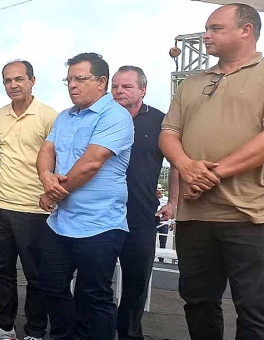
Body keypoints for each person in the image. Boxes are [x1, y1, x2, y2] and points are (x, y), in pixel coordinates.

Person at [159, 4, 264, 339]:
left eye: (216, 28)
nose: (206, 35)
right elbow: (168, 133)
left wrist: (211, 175)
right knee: (198, 302)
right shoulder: (191, 83)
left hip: (248, 215)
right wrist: (187, 166)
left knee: (254, 309)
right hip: (194, 217)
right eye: (207, 29)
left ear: (246, 31)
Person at [36, 52, 134, 340]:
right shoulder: (65, 117)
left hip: (100, 223)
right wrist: (46, 177)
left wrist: (54, 193)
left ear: (102, 82)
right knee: (52, 287)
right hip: (61, 222)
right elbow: (46, 151)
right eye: (69, 80)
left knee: (95, 295)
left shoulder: (116, 116)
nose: (72, 86)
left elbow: (92, 162)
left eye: (80, 79)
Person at [0, 60, 57, 340]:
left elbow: (60, 160)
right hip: (0, 205)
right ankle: (3, 327)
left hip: (34, 208)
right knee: (0, 271)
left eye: (19, 79)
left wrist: (50, 192)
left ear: (33, 80)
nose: (13, 85)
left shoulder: (49, 116)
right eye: (8, 81)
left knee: (35, 276)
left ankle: (34, 331)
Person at [110, 66, 179, 340]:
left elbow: (177, 163)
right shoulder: (101, 117)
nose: (119, 91)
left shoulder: (160, 122)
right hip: (101, 214)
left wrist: (172, 202)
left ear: (143, 90)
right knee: (94, 281)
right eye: (115, 86)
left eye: (127, 87)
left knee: (136, 283)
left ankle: (128, 334)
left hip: (140, 216)